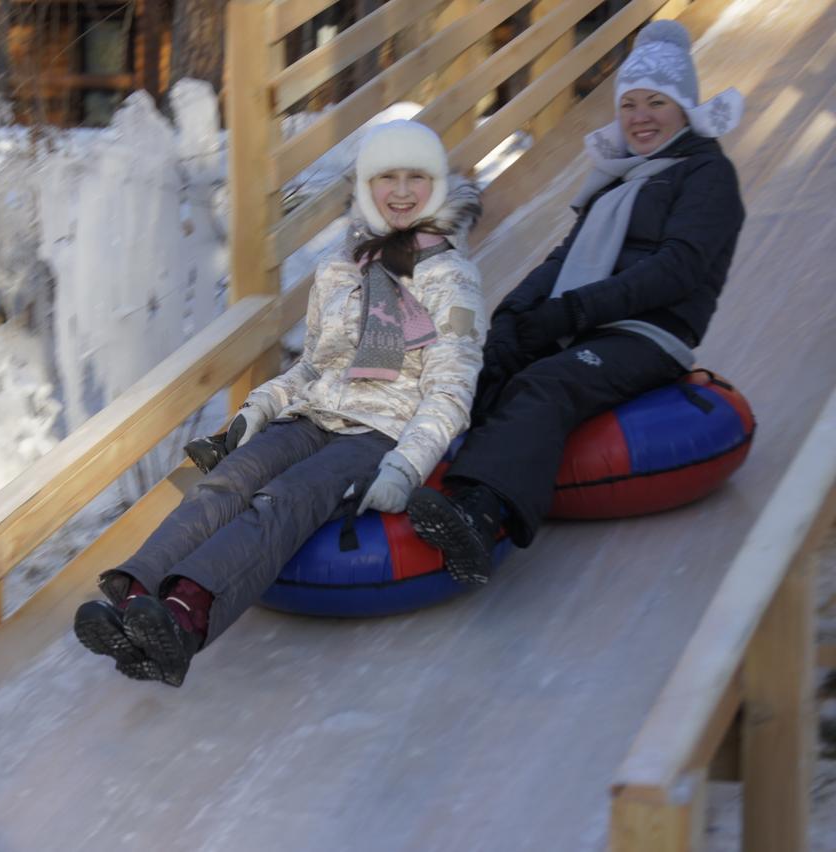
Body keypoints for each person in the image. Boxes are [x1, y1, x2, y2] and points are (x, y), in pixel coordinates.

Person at [73, 120, 486, 686]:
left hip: (383, 429)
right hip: (315, 413)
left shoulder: (450, 277)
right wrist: (261, 409)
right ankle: (136, 597)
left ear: (437, 185)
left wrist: (407, 464)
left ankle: (183, 617)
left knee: (282, 497)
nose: (402, 191)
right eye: (387, 177)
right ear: (366, 186)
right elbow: (315, 364)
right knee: (227, 481)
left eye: (417, 177)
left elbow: (451, 386)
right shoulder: (343, 269)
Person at [405, 20, 746, 585]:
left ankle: (476, 513)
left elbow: (677, 269)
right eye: (630, 103)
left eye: (657, 102)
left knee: (545, 385)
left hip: (646, 333)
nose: (640, 116)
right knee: (474, 364)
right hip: (589, 320)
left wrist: (574, 312)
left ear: (685, 106)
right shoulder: (616, 177)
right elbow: (562, 259)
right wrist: (514, 314)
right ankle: (389, 466)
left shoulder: (707, 174)